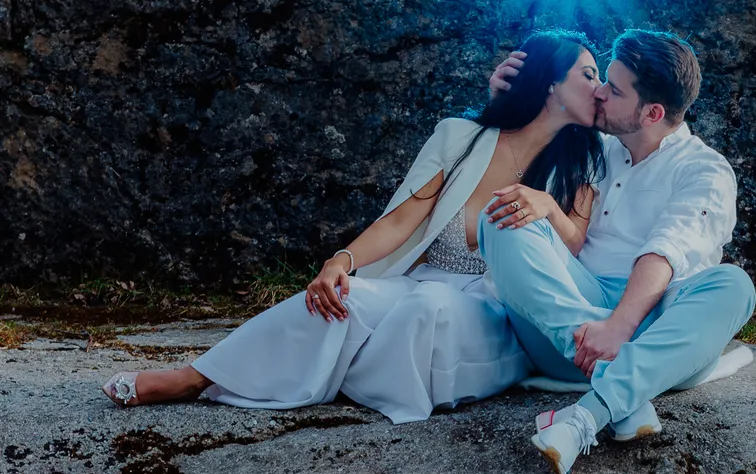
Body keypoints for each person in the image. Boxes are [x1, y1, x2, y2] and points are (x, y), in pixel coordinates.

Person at [100, 30, 607, 426]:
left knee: (428, 312)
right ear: (549, 82)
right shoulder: (461, 137)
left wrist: (546, 206)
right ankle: (195, 378)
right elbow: (403, 219)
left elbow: (575, 242)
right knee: (348, 299)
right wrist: (340, 262)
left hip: (500, 310)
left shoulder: (588, 159)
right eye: (589, 74)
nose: (600, 87)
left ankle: (332, 374)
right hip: (423, 279)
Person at [482, 29, 756, 474]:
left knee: (734, 285)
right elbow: (516, 151)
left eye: (613, 88)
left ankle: (587, 415)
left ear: (651, 112)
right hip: (567, 331)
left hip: (658, 333)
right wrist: (506, 103)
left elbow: (664, 252)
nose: (599, 93)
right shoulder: (592, 144)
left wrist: (618, 328)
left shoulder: (704, 169)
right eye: (602, 80)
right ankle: (623, 389)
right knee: (502, 214)